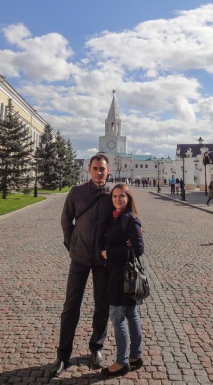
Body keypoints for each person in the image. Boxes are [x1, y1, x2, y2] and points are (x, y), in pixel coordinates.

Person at [50, 154, 114, 378]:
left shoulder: (112, 195)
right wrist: (71, 244)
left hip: (102, 260)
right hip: (79, 257)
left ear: (108, 171)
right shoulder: (76, 192)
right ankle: (63, 355)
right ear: (89, 170)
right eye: (95, 168)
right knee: (71, 306)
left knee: (101, 305)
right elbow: (66, 219)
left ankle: (96, 348)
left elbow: (122, 222)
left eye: (102, 169)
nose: (99, 172)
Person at [101, 183, 145, 378]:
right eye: (114, 196)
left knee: (118, 317)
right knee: (131, 314)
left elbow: (138, 249)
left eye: (121, 196)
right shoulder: (117, 217)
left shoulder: (130, 219)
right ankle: (135, 356)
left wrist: (110, 253)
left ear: (128, 198)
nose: (117, 199)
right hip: (120, 274)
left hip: (122, 276)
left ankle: (122, 361)